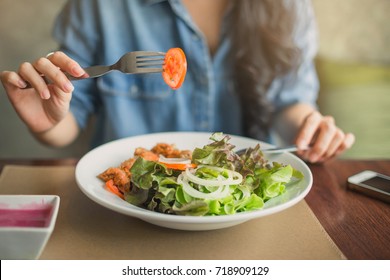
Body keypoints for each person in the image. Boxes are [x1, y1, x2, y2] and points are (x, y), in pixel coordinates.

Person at [0, 0, 354, 163]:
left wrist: (308, 128)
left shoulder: (287, 5)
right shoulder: (99, 6)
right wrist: (48, 122)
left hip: (241, 203)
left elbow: (288, 99)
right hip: (126, 206)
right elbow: (70, 114)